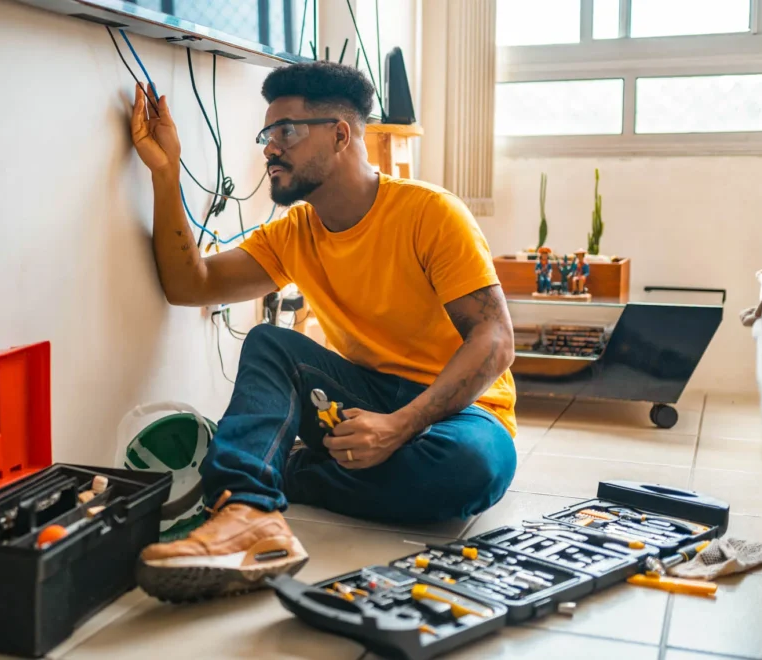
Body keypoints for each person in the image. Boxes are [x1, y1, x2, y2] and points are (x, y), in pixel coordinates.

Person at [127, 61, 517, 602]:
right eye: (267, 135)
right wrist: (165, 174)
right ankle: (248, 511)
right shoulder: (292, 233)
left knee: (472, 470)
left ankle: (275, 461)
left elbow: (495, 341)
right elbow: (190, 285)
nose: (269, 149)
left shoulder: (431, 214)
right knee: (270, 343)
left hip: (460, 412)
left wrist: (399, 427)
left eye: (286, 131)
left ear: (340, 134)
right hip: (356, 397)